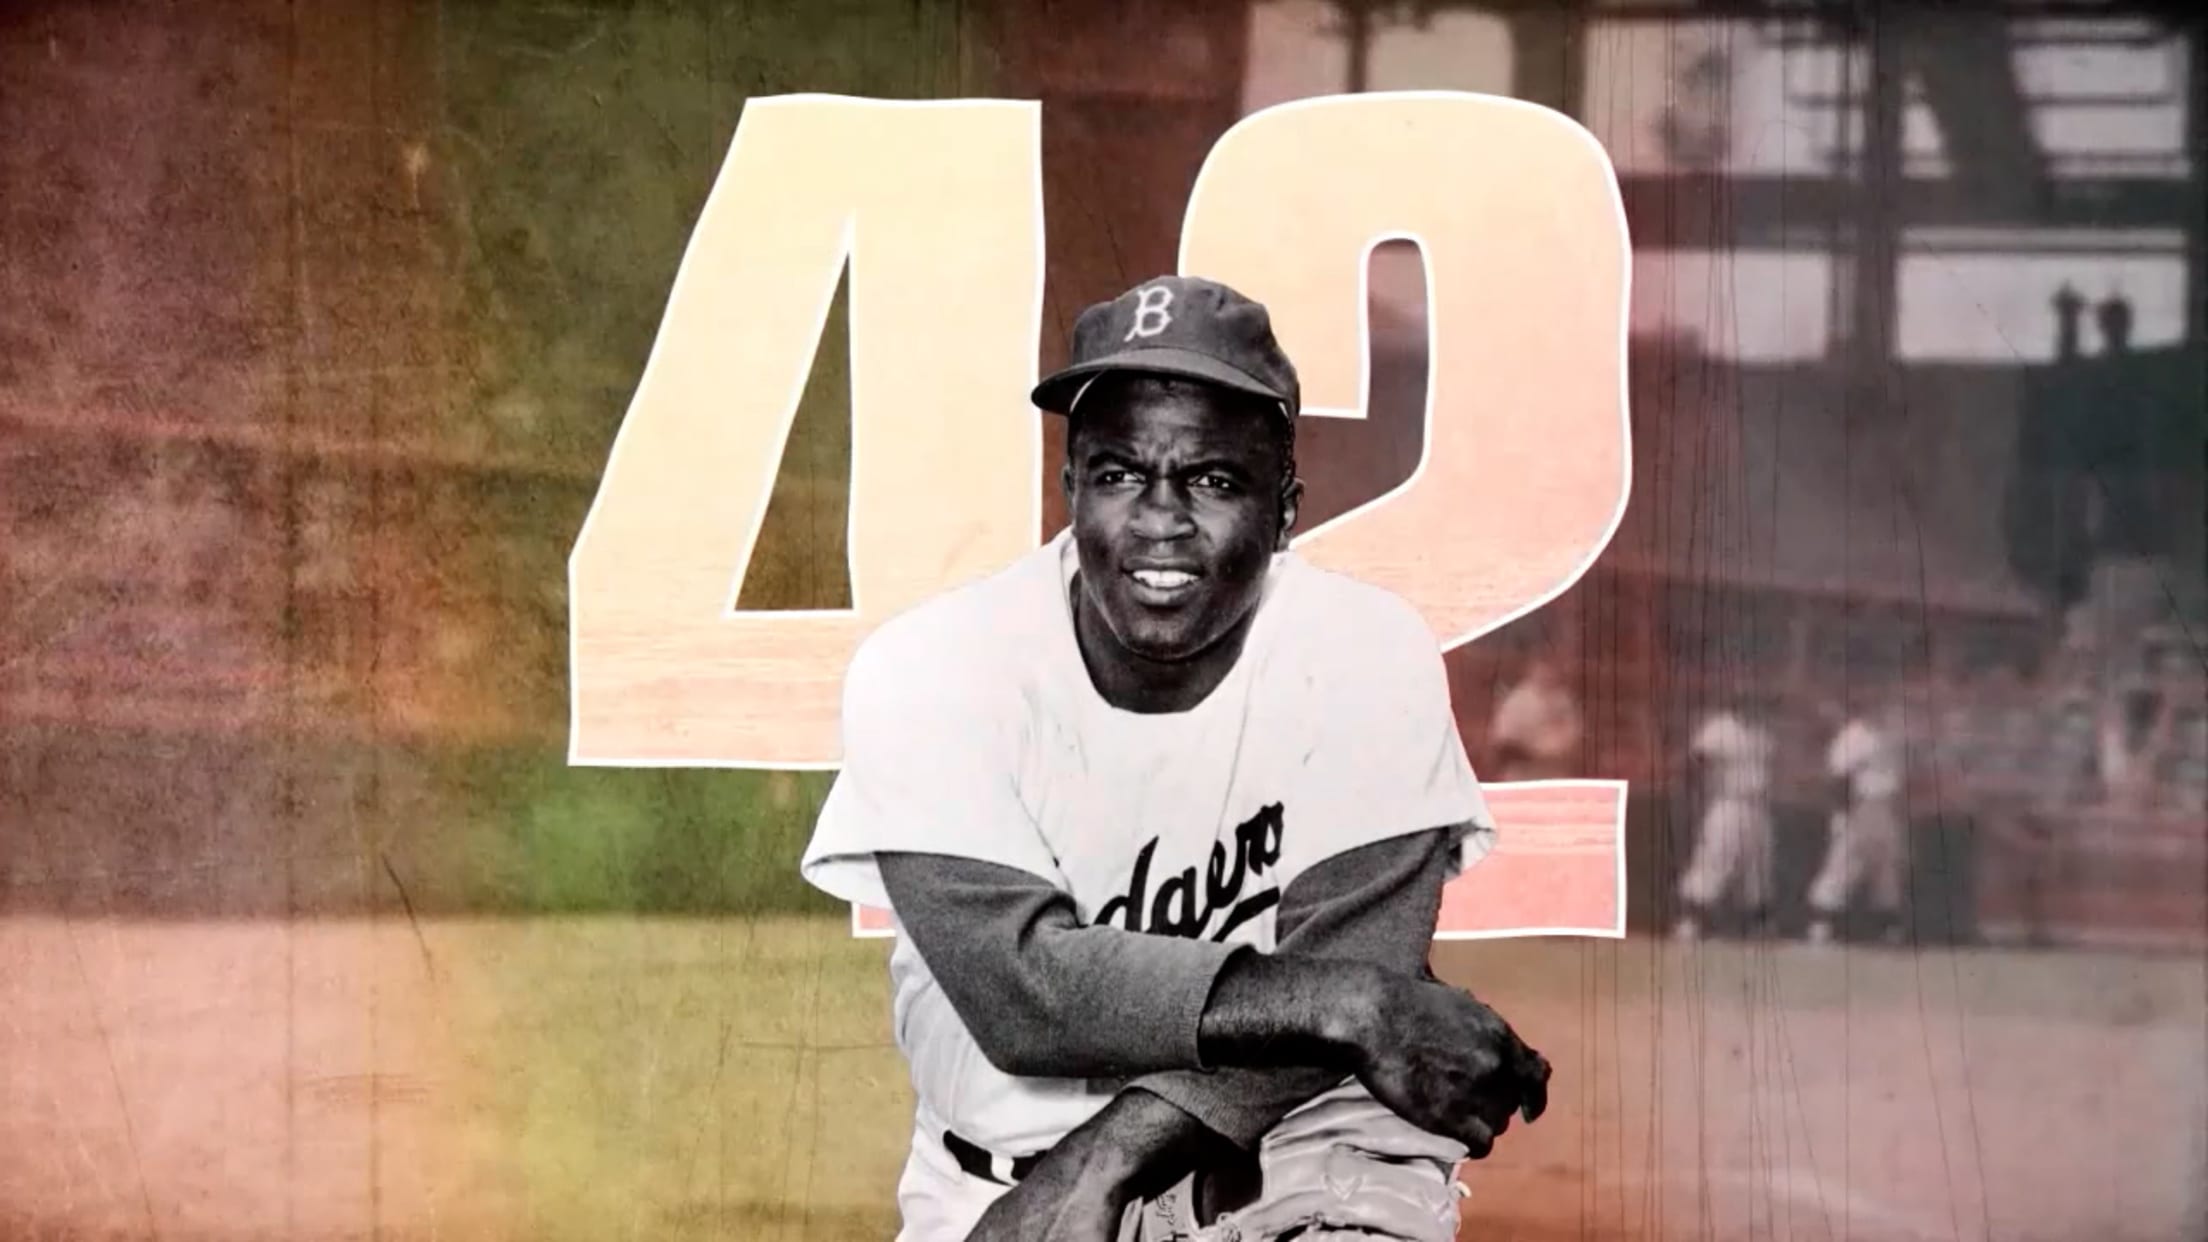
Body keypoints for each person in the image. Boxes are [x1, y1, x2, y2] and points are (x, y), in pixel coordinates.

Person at [801, 275, 1551, 1242]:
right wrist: (1354, 1002)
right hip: (989, 1182)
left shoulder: (1363, 651)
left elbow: (1360, 959)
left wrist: (1107, 1155)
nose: (1160, 520)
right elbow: (1024, 993)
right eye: (1118, 474)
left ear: (1285, 510)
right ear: (1069, 491)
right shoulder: (933, 667)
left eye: (1212, 480)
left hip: (1288, 1146)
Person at [1804, 696, 1909, 945]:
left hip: (1885, 808)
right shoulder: (1852, 736)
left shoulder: (1891, 736)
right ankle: (1820, 929)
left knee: (1886, 872)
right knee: (1841, 869)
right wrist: (1846, 814)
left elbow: (1896, 781)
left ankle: (1891, 933)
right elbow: (1839, 778)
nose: (1881, 709)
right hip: (1860, 807)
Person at [1672, 697, 1777, 941]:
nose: (1756, 707)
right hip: (1728, 803)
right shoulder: (1719, 728)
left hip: (1758, 807)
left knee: (1758, 868)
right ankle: (1690, 921)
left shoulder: (1763, 733)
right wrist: (1693, 795)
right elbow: (1695, 762)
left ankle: (1757, 926)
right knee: (1714, 861)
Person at [1487, 657, 1583, 782]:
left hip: (1555, 775)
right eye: (1543, 668)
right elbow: (1503, 743)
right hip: (1522, 776)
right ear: (1532, 670)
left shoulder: (1564, 701)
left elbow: (1573, 740)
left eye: (1552, 668)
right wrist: (1530, 752)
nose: (1548, 674)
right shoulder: (1517, 700)